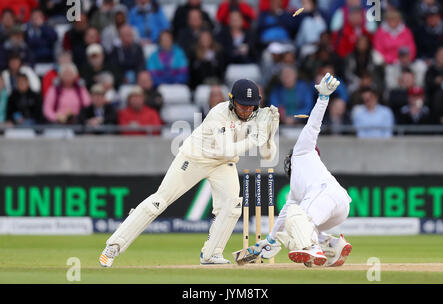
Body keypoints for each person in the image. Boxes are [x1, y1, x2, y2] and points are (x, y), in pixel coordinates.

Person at [99, 79, 280, 267]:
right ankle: (114, 245)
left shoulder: (257, 116)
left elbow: (268, 156)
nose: (247, 111)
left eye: (251, 106)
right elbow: (227, 149)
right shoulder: (219, 113)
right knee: (158, 202)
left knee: (232, 206)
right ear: (232, 101)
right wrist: (254, 138)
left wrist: (269, 135)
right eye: (243, 105)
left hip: (222, 164)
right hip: (194, 159)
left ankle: (211, 254)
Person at [245, 73, 353, 267]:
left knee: (297, 219)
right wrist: (270, 240)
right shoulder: (297, 187)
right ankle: (334, 244)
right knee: (294, 221)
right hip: (341, 205)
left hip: (324, 197)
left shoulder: (303, 151)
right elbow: (283, 216)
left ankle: (311, 248)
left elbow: (313, 126)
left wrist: (323, 99)